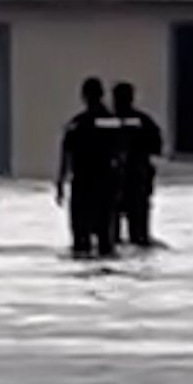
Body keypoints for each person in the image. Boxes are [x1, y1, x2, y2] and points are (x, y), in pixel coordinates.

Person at [56, 76, 122, 258]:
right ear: (101, 95)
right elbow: (121, 155)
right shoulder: (113, 123)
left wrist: (60, 184)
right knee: (105, 237)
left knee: (80, 238)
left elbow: (66, 156)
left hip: (83, 184)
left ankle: (82, 274)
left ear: (83, 96)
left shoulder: (77, 123)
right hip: (105, 183)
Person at [112, 81, 164, 248]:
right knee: (139, 234)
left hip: (120, 181)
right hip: (134, 180)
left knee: (113, 234)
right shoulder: (143, 122)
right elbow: (158, 148)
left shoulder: (108, 122)